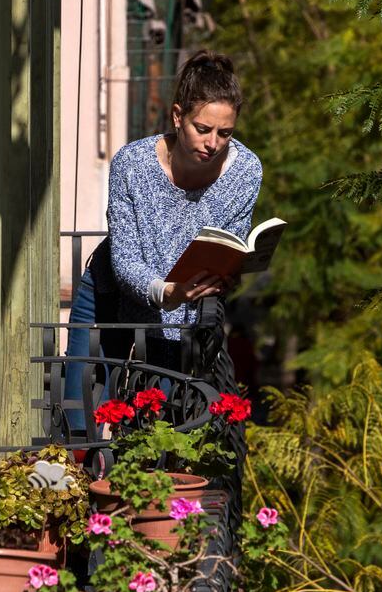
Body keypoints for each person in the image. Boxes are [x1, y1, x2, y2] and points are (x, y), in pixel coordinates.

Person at [65, 51, 261, 429]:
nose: (213, 142)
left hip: (182, 316)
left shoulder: (247, 171)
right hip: (111, 297)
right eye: (202, 129)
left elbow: (228, 246)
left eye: (225, 133)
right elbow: (125, 260)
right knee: (79, 420)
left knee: (160, 430)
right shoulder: (133, 163)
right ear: (177, 117)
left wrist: (229, 274)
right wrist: (166, 291)